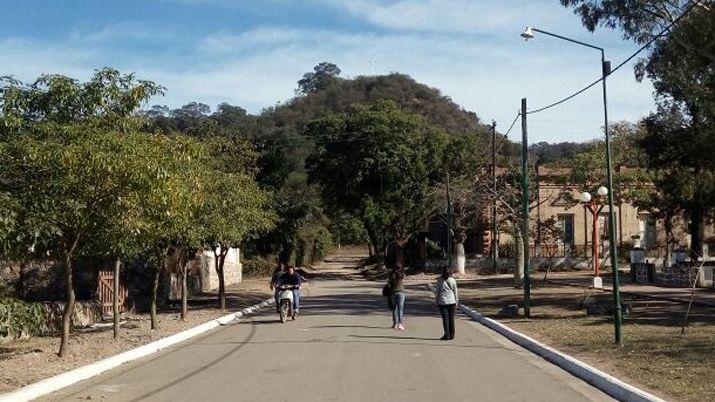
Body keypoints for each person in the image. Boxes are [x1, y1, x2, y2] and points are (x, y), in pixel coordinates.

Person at [435, 267, 458, 340]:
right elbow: (455, 291)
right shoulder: (453, 280)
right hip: (452, 301)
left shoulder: (439, 280)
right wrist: (456, 301)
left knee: (445, 319)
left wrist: (436, 301)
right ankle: (452, 335)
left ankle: (447, 335)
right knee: (451, 319)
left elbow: (437, 292)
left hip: (442, 302)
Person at [388, 263, 406, 330]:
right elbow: (404, 276)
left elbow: (388, 284)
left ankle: (395, 324)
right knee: (400, 309)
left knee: (394, 309)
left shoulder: (391, 275)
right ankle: (400, 324)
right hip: (401, 292)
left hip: (393, 293)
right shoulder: (402, 274)